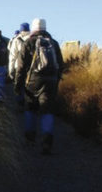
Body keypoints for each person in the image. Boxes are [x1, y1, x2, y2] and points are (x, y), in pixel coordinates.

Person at [13, 18, 64, 154]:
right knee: (47, 111)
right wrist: (56, 80)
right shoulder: (53, 43)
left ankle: (30, 139)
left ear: (34, 28)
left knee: (31, 108)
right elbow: (61, 65)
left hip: (33, 81)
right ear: (45, 28)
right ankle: (46, 141)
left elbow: (21, 67)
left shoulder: (28, 42)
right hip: (51, 81)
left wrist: (18, 86)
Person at [8, 22, 31, 111]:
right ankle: (31, 105)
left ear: (21, 30)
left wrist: (11, 70)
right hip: (32, 67)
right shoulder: (34, 38)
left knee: (19, 86)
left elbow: (12, 56)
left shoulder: (17, 40)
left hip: (19, 67)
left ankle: (20, 105)